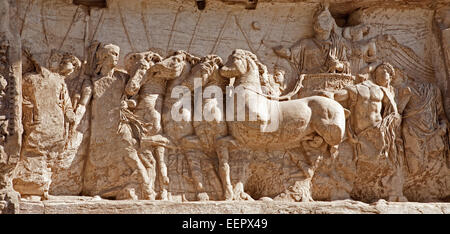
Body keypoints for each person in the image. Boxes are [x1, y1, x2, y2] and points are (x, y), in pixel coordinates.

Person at [82, 43, 153, 200]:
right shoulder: (93, 81)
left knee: (130, 153)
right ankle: (106, 189)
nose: (116, 57)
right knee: (100, 161)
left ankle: (147, 187)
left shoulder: (121, 77)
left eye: (117, 54)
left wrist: (140, 69)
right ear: (104, 57)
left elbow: (132, 90)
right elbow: (83, 105)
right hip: (100, 126)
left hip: (120, 123)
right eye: (113, 54)